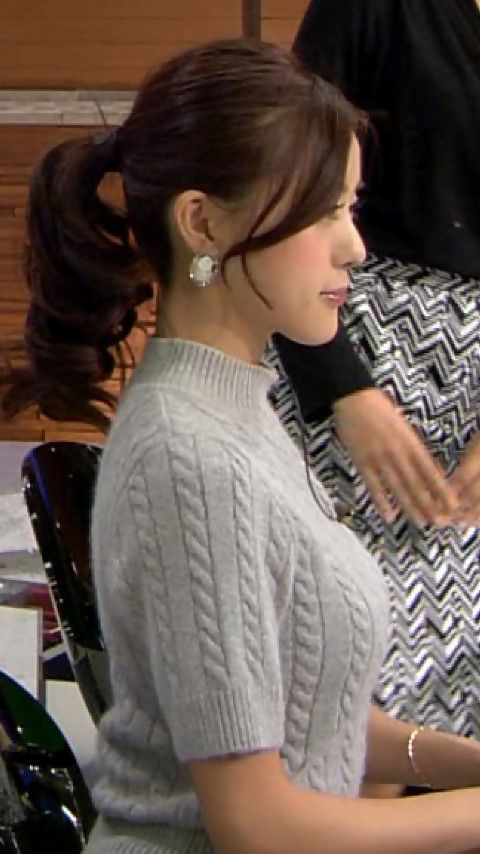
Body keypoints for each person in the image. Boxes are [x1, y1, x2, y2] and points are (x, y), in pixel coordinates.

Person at [4, 38, 480, 854]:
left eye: (352, 208)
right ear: (203, 222)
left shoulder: (243, 413)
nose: (356, 248)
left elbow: (310, 713)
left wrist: (456, 762)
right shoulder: (188, 456)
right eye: (325, 212)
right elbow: (257, 826)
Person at [266, 0, 480, 740]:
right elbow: (284, 187)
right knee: (352, 685)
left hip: (470, 408)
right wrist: (345, 390)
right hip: (353, 341)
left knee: (453, 696)